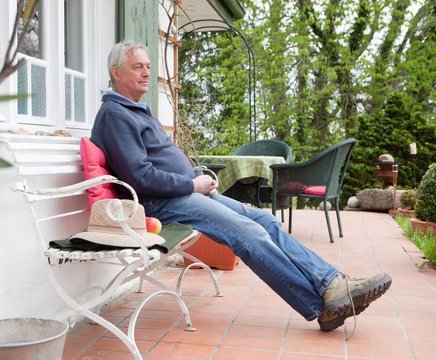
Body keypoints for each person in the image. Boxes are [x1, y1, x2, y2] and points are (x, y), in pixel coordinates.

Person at [90, 40, 392, 332]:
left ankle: (331, 283)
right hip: (162, 203)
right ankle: (321, 304)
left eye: (147, 66)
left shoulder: (134, 110)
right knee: (249, 234)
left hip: (181, 192)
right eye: (137, 67)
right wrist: (192, 185)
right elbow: (140, 178)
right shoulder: (116, 115)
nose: (145, 73)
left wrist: (197, 178)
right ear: (116, 73)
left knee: (264, 219)